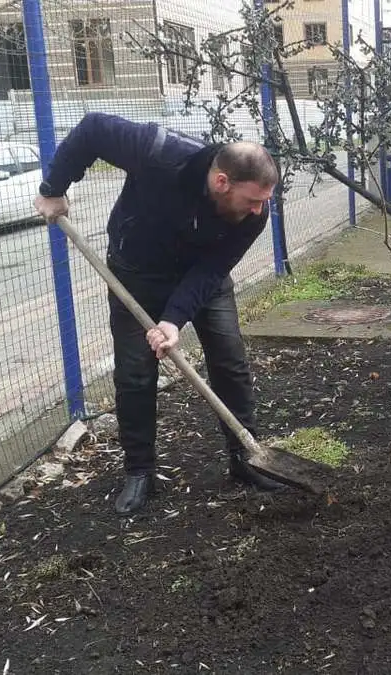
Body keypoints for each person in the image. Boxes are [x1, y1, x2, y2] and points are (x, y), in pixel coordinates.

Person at [34, 112, 285, 515]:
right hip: (137, 272)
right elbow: (93, 129)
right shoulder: (160, 153)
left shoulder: (254, 213)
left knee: (230, 361)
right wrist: (54, 188)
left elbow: (212, 270)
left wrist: (173, 320)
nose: (259, 211)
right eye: (253, 200)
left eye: (264, 201)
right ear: (222, 182)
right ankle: (140, 472)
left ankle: (245, 458)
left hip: (201, 276)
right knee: (135, 372)